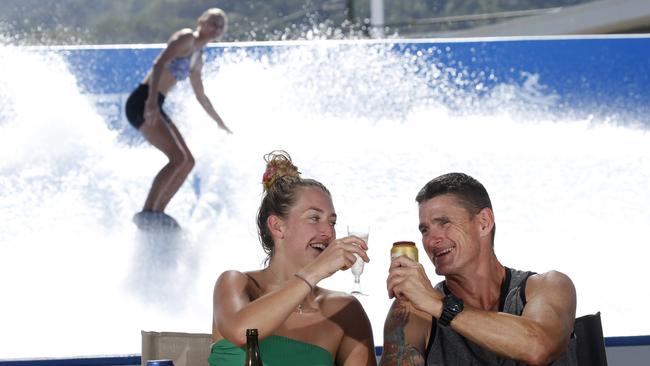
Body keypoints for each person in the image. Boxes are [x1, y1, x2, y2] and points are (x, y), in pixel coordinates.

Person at [380, 172, 577, 366]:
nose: (432, 241)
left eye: (444, 223)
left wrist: (440, 305)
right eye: (425, 230)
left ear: (484, 222)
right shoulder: (414, 311)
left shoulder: (549, 286)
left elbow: (538, 347)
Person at [209, 150, 377, 366]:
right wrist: (315, 272)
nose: (328, 232)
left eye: (332, 222)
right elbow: (243, 332)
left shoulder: (345, 311)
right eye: (314, 218)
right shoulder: (236, 284)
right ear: (278, 227)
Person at [125, 8, 232, 226]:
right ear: (200, 22)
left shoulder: (198, 58)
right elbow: (159, 64)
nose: (216, 28)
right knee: (177, 158)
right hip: (143, 100)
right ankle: (148, 211)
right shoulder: (186, 39)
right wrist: (152, 101)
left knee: (188, 161)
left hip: (156, 103)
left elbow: (201, 96)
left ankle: (157, 213)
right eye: (213, 22)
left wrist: (220, 123)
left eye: (220, 25)